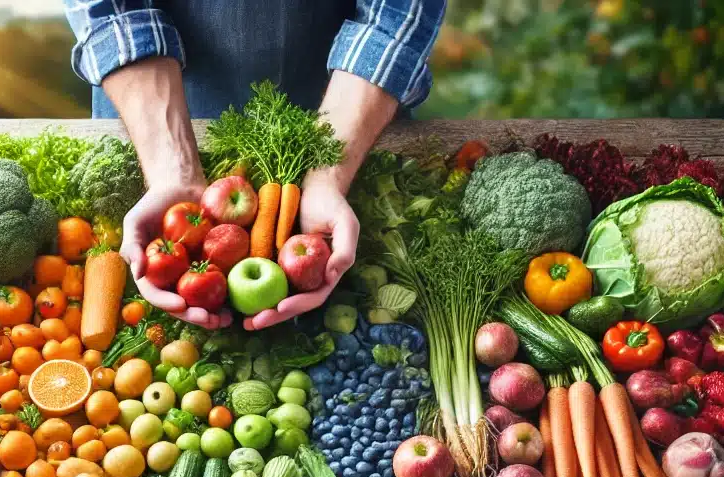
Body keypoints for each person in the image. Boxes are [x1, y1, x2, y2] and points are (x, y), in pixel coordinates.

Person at [63, 1, 447, 330]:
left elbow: (397, 13)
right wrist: (172, 169)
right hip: (152, 99)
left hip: (352, 101)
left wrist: (328, 171)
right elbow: (113, 10)